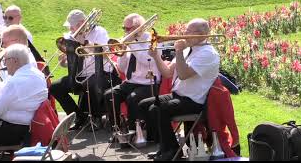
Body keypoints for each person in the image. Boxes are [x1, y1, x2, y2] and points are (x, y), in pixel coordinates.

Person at [139, 18, 220, 161]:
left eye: (188, 32)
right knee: (144, 105)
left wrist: (178, 51)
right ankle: (165, 147)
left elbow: (183, 75)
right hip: (178, 95)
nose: (183, 35)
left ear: (202, 35)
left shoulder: (208, 54)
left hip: (194, 101)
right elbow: (167, 73)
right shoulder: (188, 49)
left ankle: (172, 150)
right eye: (185, 31)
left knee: (159, 109)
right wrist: (156, 55)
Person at [49, 9, 120, 131]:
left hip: (104, 73)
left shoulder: (99, 32)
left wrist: (85, 42)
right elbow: (75, 61)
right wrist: (64, 62)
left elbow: (105, 54)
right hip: (81, 74)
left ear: (82, 22)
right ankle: (78, 116)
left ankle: (96, 118)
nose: (70, 29)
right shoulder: (70, 37)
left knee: (91, 83)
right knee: (55, 87)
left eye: (72, 26)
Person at [103, 13, 162, 136]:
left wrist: (131, 44)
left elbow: (147, 61)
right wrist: (123, 52)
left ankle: (134, 132)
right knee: (110, 95)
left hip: (148, 84)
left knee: (132, 98)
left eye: (128, 28)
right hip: (131, 83)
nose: (125, 31)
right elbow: (122, 68)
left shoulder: (152, 39)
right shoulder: (129, 42)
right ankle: (117, 131)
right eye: (124, 28)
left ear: (140, 27)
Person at [0, 44, 48, 160]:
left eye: (5, 60)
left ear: (14, 61)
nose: (4, 64)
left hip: (13, 132)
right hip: (27, 128)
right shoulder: (37, 74)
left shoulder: (14, 83)